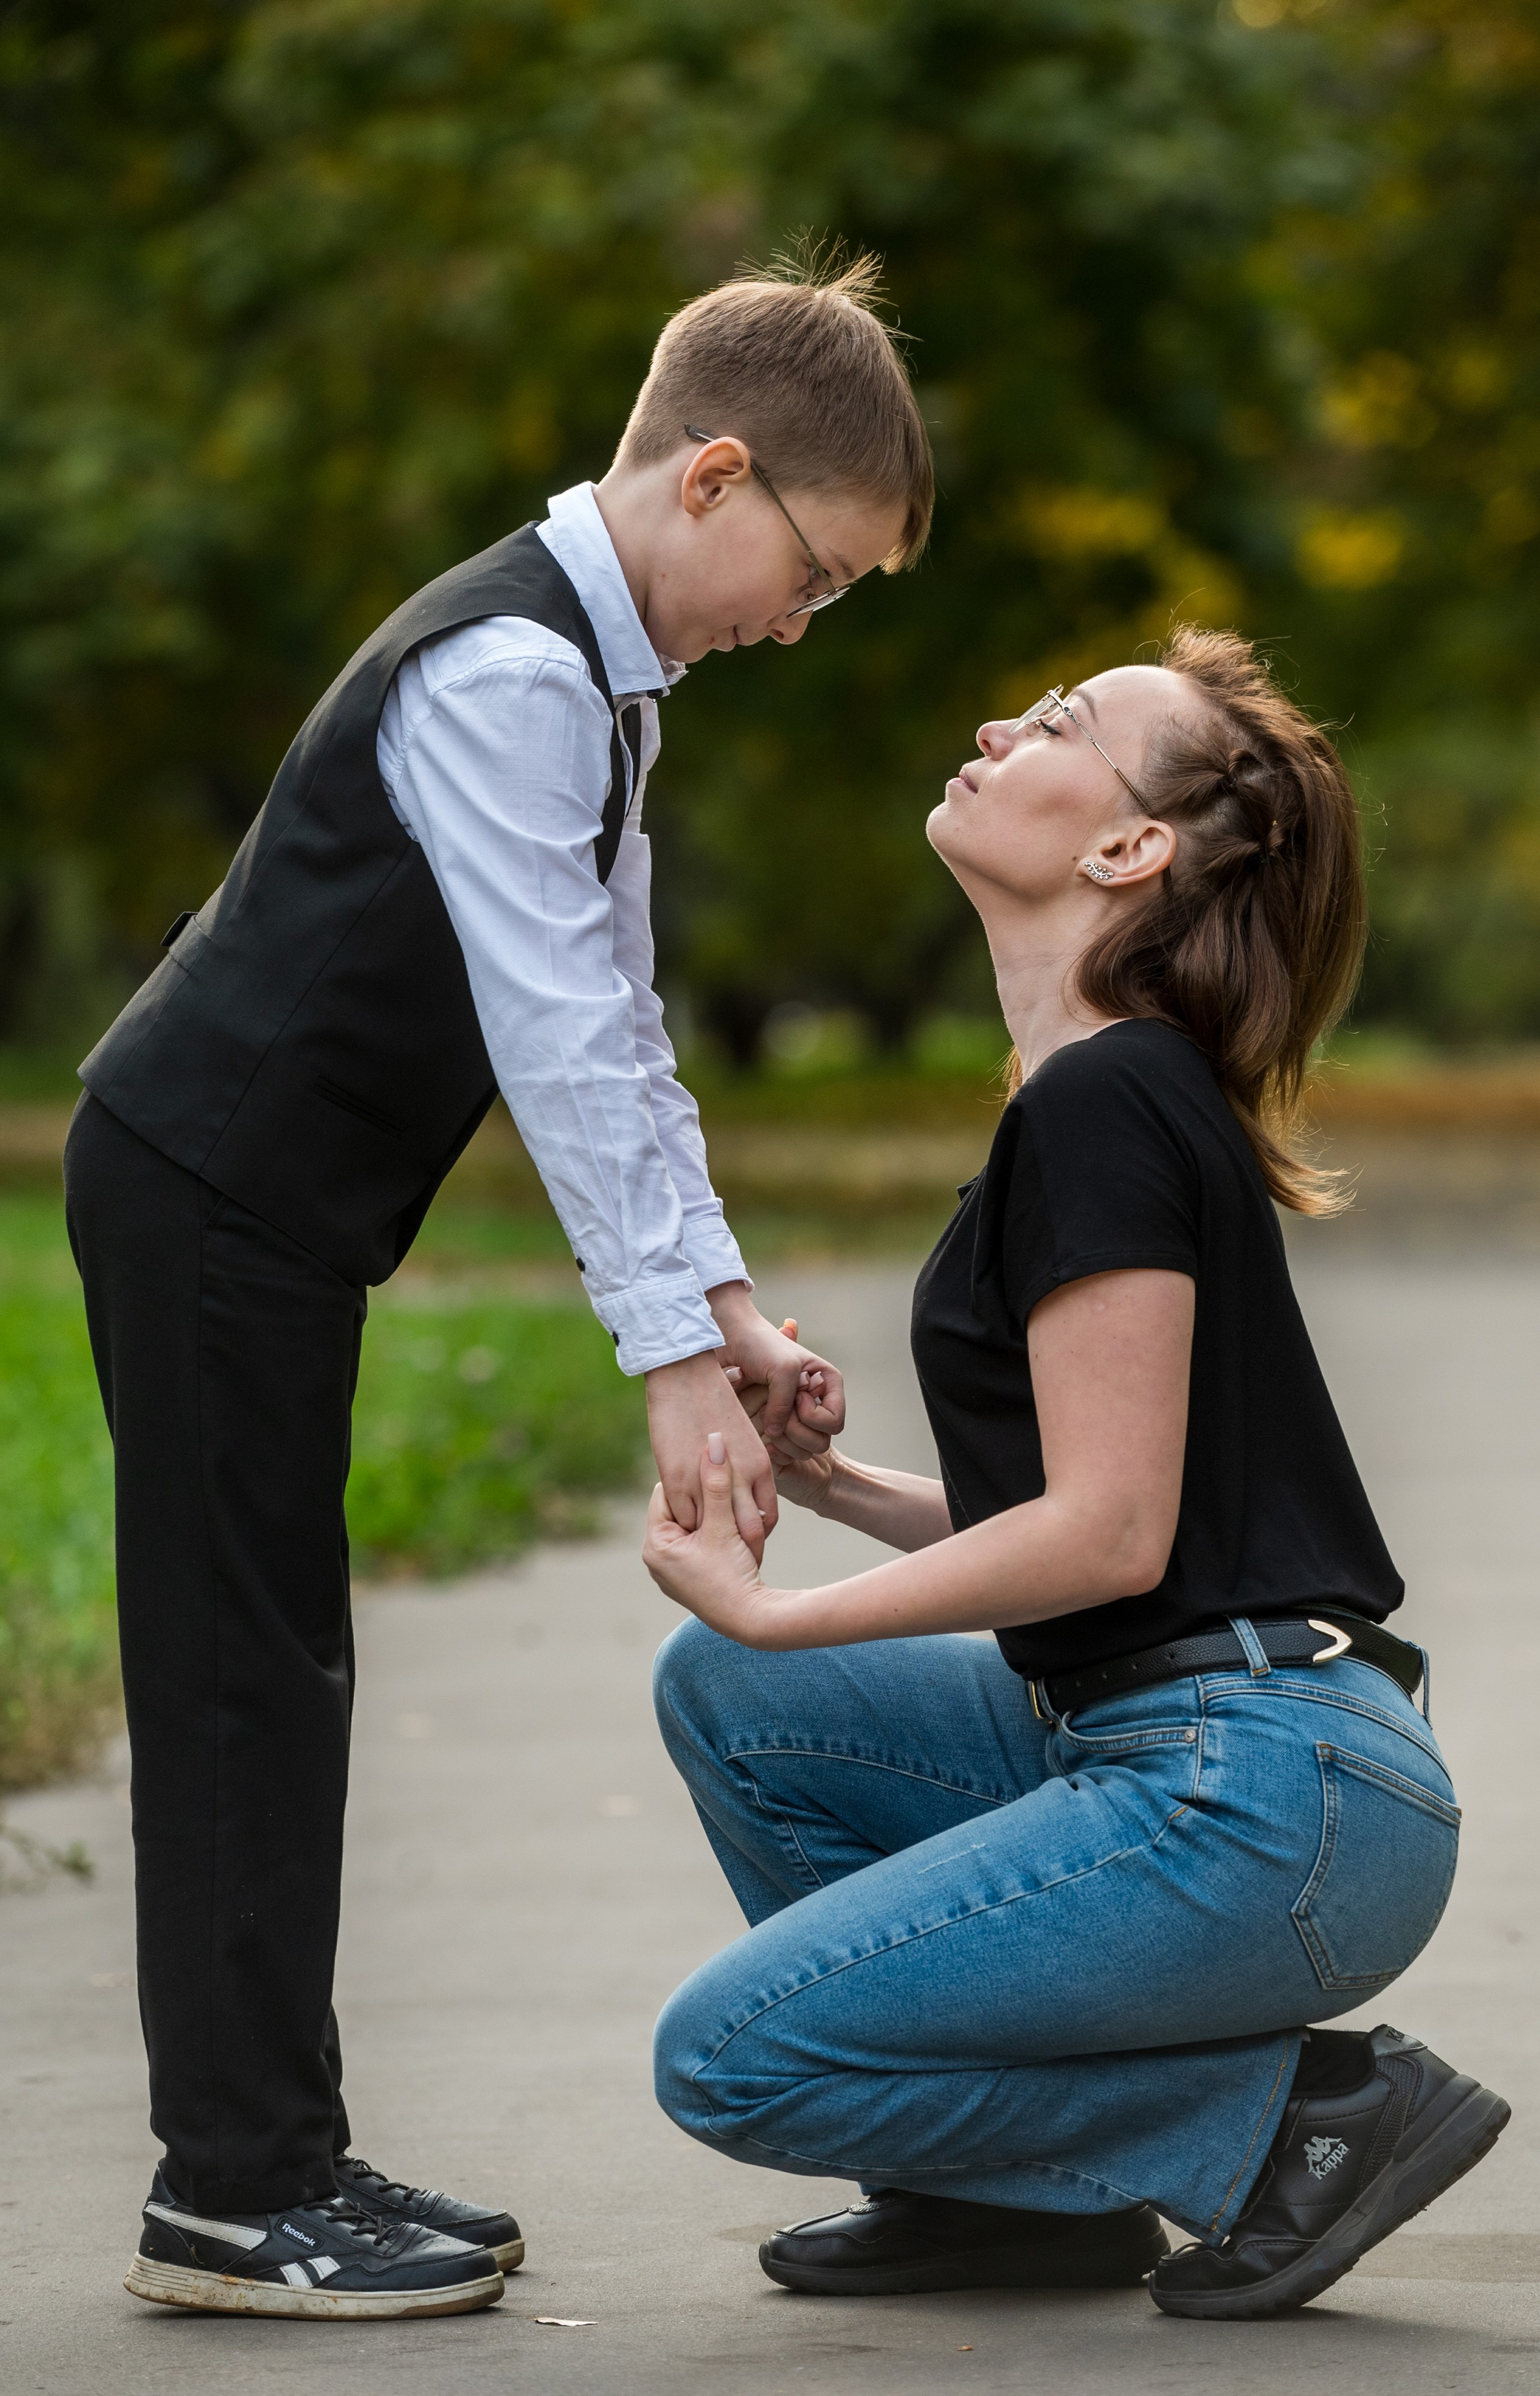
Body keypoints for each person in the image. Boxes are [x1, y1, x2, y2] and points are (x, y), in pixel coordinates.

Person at [63, 252, 933, 2321]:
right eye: (815, 572)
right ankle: (233, 2190)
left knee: (279, 1659)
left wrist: (726, 1304)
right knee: (242, 1672)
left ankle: (276, 2151)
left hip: (268, 1211)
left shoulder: (606, 681)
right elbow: (547, 1034)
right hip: (205, 1184)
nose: (801, 623)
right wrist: (664, 1360)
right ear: (713, 477)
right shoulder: (515, 672)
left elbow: (624, 1022)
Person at [643, 628, 1510, 2321]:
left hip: (1257, 1792)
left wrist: (777, 1606)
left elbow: (1107, 1535)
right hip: (1230, 1750)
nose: (995, 723)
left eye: (1056, 723)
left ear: (1129, 850)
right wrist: (839, 1488)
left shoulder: (1107, 1100)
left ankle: (1293, 2128)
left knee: (735, 2055)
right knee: (727, 1695)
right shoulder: (1104, 1093)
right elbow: (1129, 1516)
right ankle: (1004, 2205)